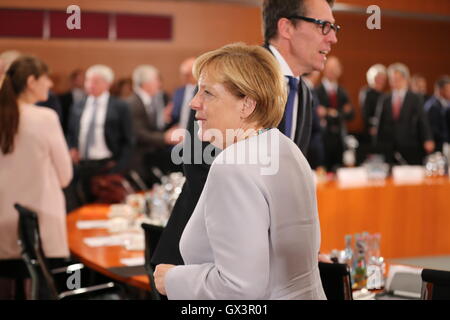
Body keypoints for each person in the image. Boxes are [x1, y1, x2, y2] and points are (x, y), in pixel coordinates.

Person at [151, 0, 339, 268]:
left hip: (261, 267)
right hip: (201, 260)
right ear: (286, 27)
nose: (332, 37)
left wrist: (293, 250)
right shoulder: (236, 72)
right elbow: (198, 165)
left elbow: (283, 185)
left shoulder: (305, 93)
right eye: (324, 26)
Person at [154, 43, 326, 300]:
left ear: (246, 105)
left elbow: (240, 289)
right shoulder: (286, 149)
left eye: (207, 93)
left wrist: (173, 280)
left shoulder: (232, 166)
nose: (193, 103)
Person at [0, 56, 73, 297]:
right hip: (38, 226)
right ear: (32, 81)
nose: (50, 84)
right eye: (45, 79)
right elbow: (65, 176)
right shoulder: (45, 118)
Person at [67, 64, 134, 204]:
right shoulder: (78, 105)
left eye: (95, 82)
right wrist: (72, 147)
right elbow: (71, 133)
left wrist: (120, 167)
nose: (90, 85)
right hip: (83, 166)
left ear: (107, 84)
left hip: (107, 166)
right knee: (81, 207)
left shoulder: (120, 106)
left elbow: (129, 140)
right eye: (88, 81)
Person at [126, 65, 180, 187]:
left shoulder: (148, 101)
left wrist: (164, 122)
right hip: (137, 161)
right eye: (157, 80)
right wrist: (165, 137)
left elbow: (150, 127)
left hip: (148, 158)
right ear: (147, 83)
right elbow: (138, 133)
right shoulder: (133, 103)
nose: (159, 84)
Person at [375, 63, 434, 165]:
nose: (394, 82)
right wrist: (377, 143)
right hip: (389, 143)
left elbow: (422, 120)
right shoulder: (385, 99)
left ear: (405, 79)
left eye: (397, 79)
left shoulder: (415, 98)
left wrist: (428, 138)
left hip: (410, 142)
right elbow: (380, 122)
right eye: (392, 79)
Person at [316, 56, 354, 171]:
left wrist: (329, 112)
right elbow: (317, 113)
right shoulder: (316, 91)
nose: (332, 70)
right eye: (329, 67)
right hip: (322, 142)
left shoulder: (343, 92)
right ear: (324, 68)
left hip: (340, 142)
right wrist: (341, 112)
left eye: (335, 67)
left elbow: (351, 114)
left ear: (340, 70)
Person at [424, 76, 450, 152]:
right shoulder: (433, 106)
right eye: (448, 89)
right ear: (440, 90)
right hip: (437, 146)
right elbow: (433, 130)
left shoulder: (444, 103)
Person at [170, 57, 197, 130]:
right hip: (180, 134)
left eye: (188, 75)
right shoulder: (178, 92)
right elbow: (174, 116)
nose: (184, 78)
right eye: (183, 75)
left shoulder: (202, 91)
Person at [58, 69, 85, 134]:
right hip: (68, 131)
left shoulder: (91, 98)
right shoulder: (62, 98)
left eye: (84, 78)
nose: (83, 80)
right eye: (80, 78)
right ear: (73, 80)